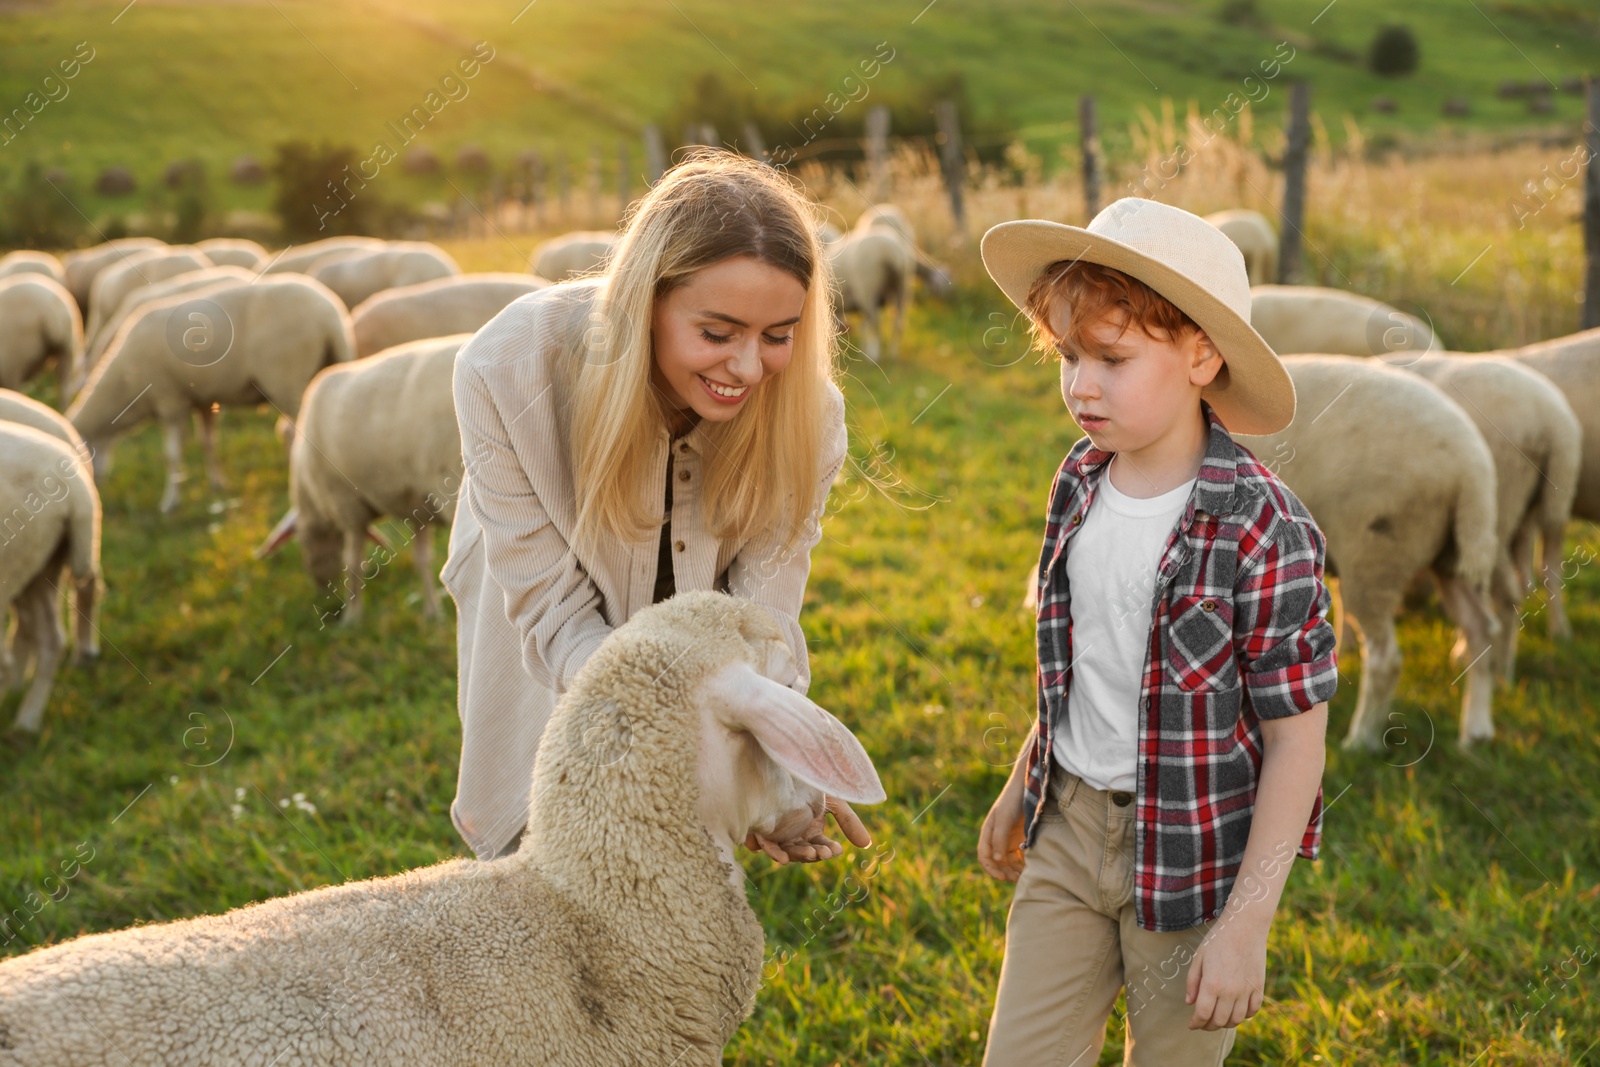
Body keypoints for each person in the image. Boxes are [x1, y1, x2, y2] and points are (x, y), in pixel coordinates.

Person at [975, 198, 1338, 1064]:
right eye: (1068, 356)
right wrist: (1025, 778)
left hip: (1195, 858)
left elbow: (1297, 743)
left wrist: (1247, 927)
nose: (1081, 385)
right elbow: (1082, 659)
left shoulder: (1263, 527)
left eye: (1112, 357)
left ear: (1202, 356)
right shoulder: (1077, 481)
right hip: (1067, 829)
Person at [441, 149, 869, 866]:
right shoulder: (507, 371)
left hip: (691, 617)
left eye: (778, 336)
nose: (746, 368)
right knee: (543, 834)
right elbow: (555, 613)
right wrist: (692, 710)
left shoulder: (808, 417)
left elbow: (760, 618)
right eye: (717, 332)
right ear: (647, 301)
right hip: (533, 602)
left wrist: (776, 767)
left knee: (673, 858)